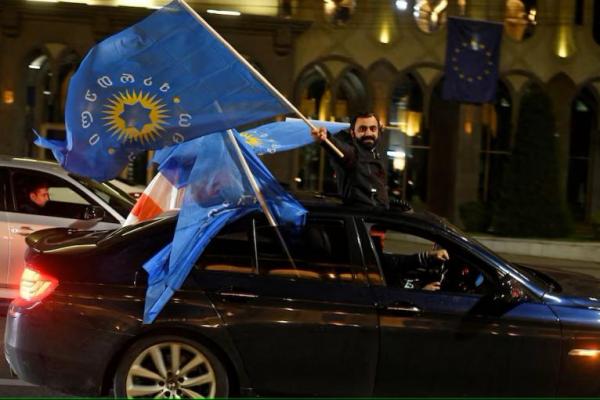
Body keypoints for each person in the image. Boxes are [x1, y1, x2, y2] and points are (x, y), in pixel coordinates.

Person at [311, 112, 389, 208]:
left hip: (375, 218)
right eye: (362, 129)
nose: (368, 133)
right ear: (352, 133)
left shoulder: (374, 154)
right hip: (360, 218)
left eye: (373, 129)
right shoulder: (353, 153)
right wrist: (327, 139)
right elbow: (344, 151)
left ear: (378, 131)